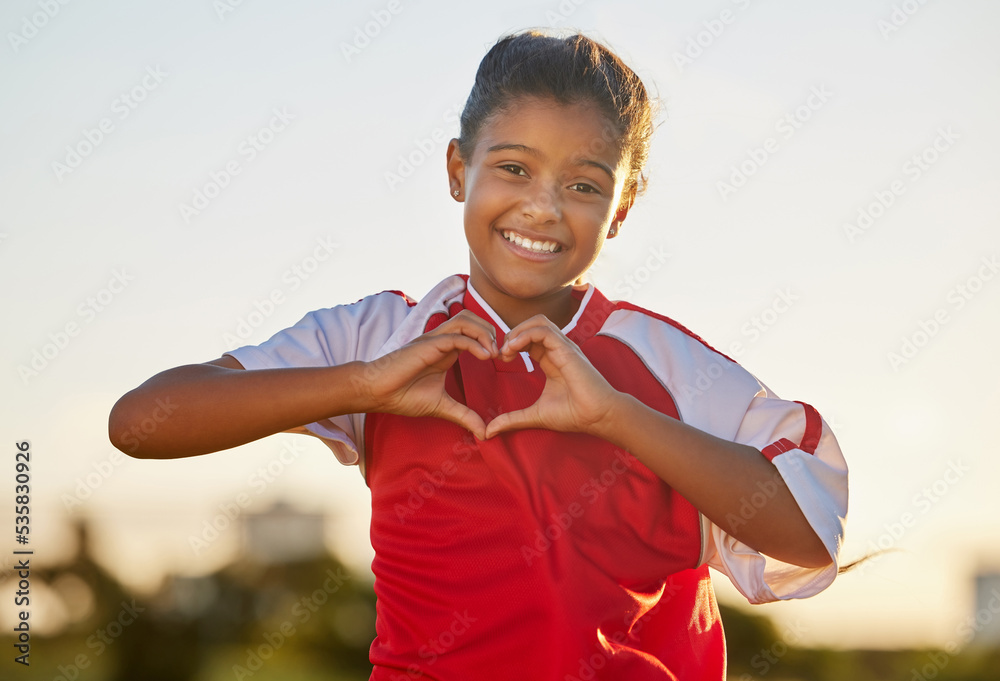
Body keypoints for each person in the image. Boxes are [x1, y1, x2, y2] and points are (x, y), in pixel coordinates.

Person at [110, 29, 848, 680]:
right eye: (515, 168)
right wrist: (364, 385)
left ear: (621, 207)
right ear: (458, 168)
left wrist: (618, 417)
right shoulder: (380, 338)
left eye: (585, 184)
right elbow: (141, 423)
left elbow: (809, 537)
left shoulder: (671, 367)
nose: (543, 207)